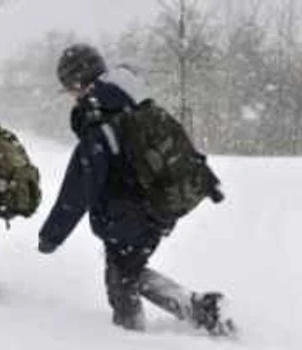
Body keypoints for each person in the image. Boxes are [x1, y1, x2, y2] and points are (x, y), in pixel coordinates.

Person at [37, 44, 232, 335]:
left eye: (69, 88)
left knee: (121, 283)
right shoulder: (134, 104)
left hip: (129, 214)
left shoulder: (99, 120)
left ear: (79, 82)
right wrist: (207, 181)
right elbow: (178, 148)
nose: (70, 96)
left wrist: (52, 236)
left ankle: (134, 335)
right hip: (157, 206)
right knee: (128, 271)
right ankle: (197, 309)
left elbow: (77, 190)